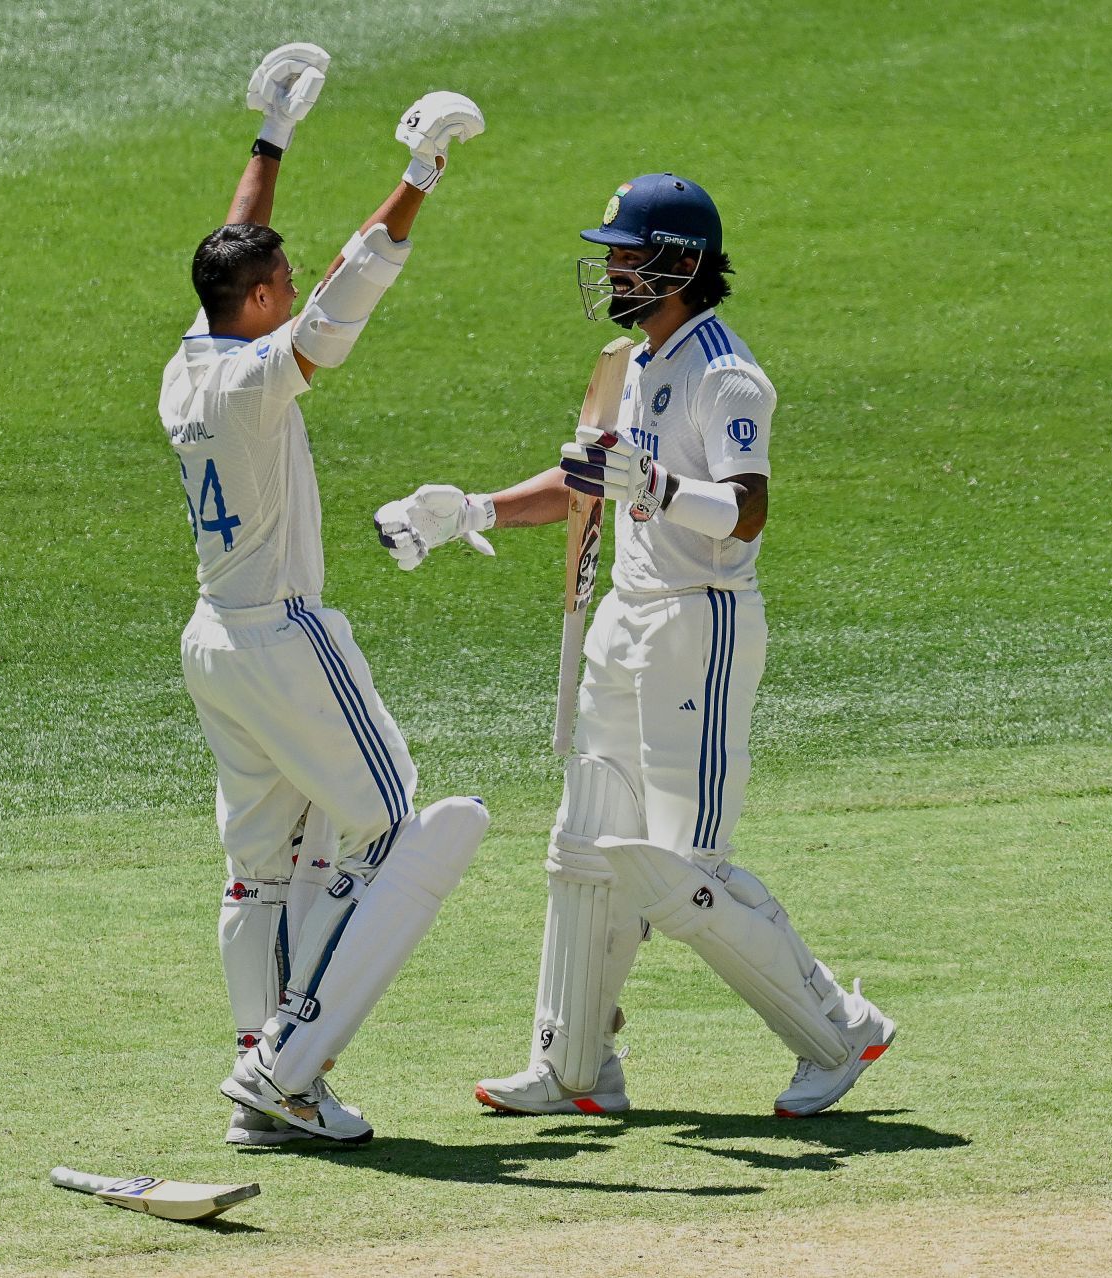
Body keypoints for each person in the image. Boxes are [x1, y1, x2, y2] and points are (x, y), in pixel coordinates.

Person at [373, 173, 894, 1119]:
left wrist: (651, 483)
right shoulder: (635, 362)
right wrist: (473, 511)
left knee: (681, 871)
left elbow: (746, 512)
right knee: (584, 848)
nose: (611, 266)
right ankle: (576, 1068)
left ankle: (840, 1027)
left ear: (682, 264)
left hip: (701, 625)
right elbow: (586, 477)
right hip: (625, 619)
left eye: (627, 251)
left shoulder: (726, 374)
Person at [162, 43, 490, 1145]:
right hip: (282, 637)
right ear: (259, 304)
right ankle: (290, 1065)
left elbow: (230, 253)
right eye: (279, 286)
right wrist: (422, 172)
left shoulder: (192, 360)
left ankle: (267, 1082)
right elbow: (353, 285)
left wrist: (274, 135)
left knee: (267, 869)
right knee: (392, 824)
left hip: (213, 639)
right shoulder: (258, 380)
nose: (292, 287)